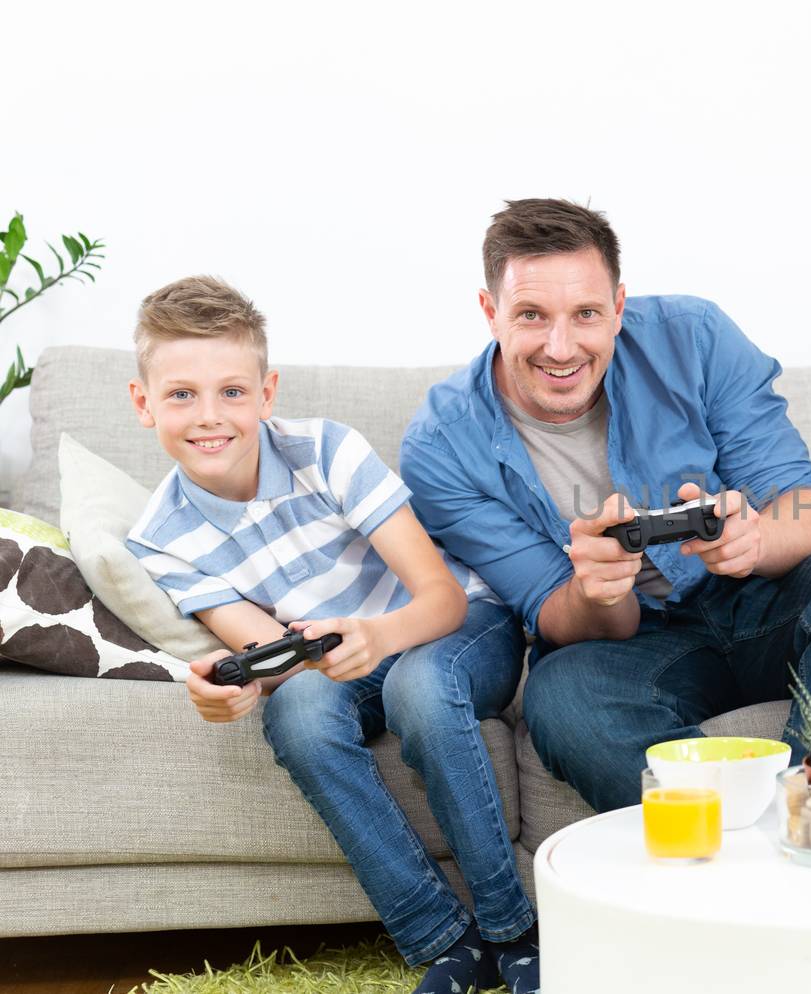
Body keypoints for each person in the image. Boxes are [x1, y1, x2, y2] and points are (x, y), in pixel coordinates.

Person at [400, 199, 811, 814]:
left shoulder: (695, 338)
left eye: (587, 313)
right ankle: (729, 854)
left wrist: (754, 541)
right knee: (561, 696)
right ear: (491, 313)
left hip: (757, 602)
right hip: (633, 644)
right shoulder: (440, 448)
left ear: (619, 307)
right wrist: (598, 591)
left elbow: (808, 511)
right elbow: (551, 611)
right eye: (531, 315)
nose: (561, 347)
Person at [125, 276, 539, 994]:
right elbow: (276, 657)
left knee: (419, 683)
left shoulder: (327, 451)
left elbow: (439, 596)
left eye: (231, 391)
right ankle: (446, 942)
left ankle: (514, 932)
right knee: (297, 712)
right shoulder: (160, 539)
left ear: (266, 393)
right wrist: (234, 684)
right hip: (341, 658)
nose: (209, 417)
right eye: (181, 395)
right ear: (143, 404)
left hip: (457, 624)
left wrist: (379, 637)